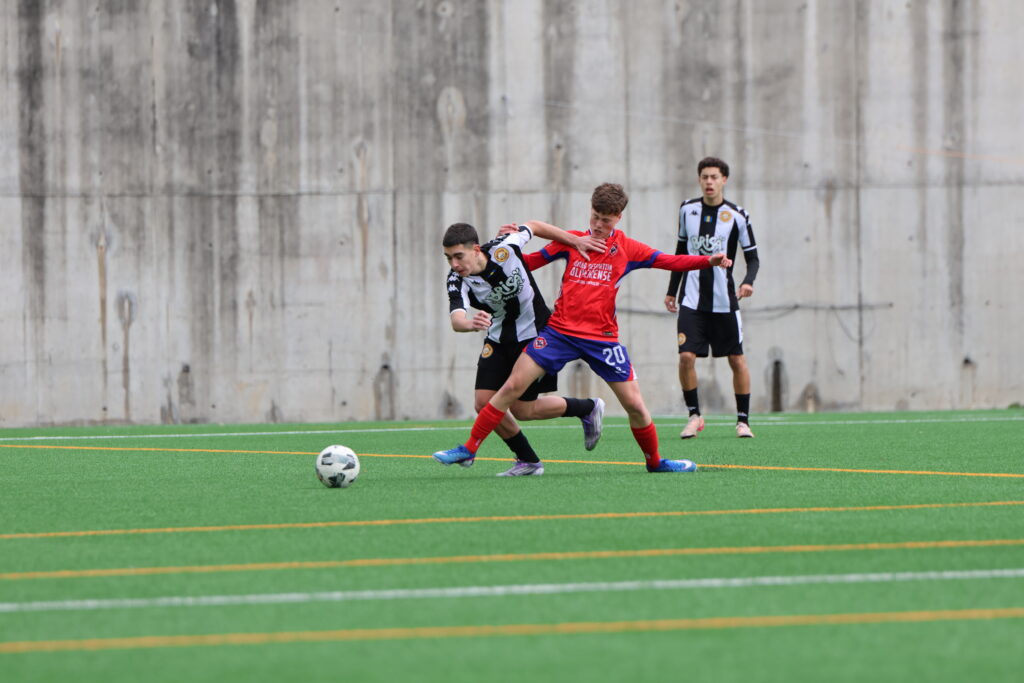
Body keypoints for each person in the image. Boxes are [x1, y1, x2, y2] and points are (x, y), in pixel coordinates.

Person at [434, 183, 731, 473]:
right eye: (595, 217)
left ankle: (655, 462)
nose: (598, 225)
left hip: (602, 339)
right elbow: (527, 264)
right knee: (511, 388)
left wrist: (708, 260)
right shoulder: (572, 241)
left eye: (606, 220)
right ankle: (469, 448)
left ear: (618, 218)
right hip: (558, 333)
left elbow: (669, 261)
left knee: (635, 405)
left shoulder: (627, 248)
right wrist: (501, 253)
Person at [442, 221, 608, 476]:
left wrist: (575, 241)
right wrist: (470, 324)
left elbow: (533, 226)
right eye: (448, 258)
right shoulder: (457, 279)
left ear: (475, 249)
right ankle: (529, 460)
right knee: (484, 403)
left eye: (458, 256)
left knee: (522, 409)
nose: (454, 264)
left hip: (536, 335)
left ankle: (586, 408)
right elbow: (456, 320)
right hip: (498, 339)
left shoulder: (505, 247)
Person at [664, 157, 760, 439]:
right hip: (691, 300)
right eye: (705, 176)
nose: (709, 182)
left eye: (714, 177)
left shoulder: (738, 215)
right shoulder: (687, 210)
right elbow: (680, 252)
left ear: (724, 180)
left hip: (724, 301)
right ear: (699, 179)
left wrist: (748, 281)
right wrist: (671, 291)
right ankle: (694, 416)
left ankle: (743, 421)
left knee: (736, 359)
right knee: (686, 356)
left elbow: (753, 258)